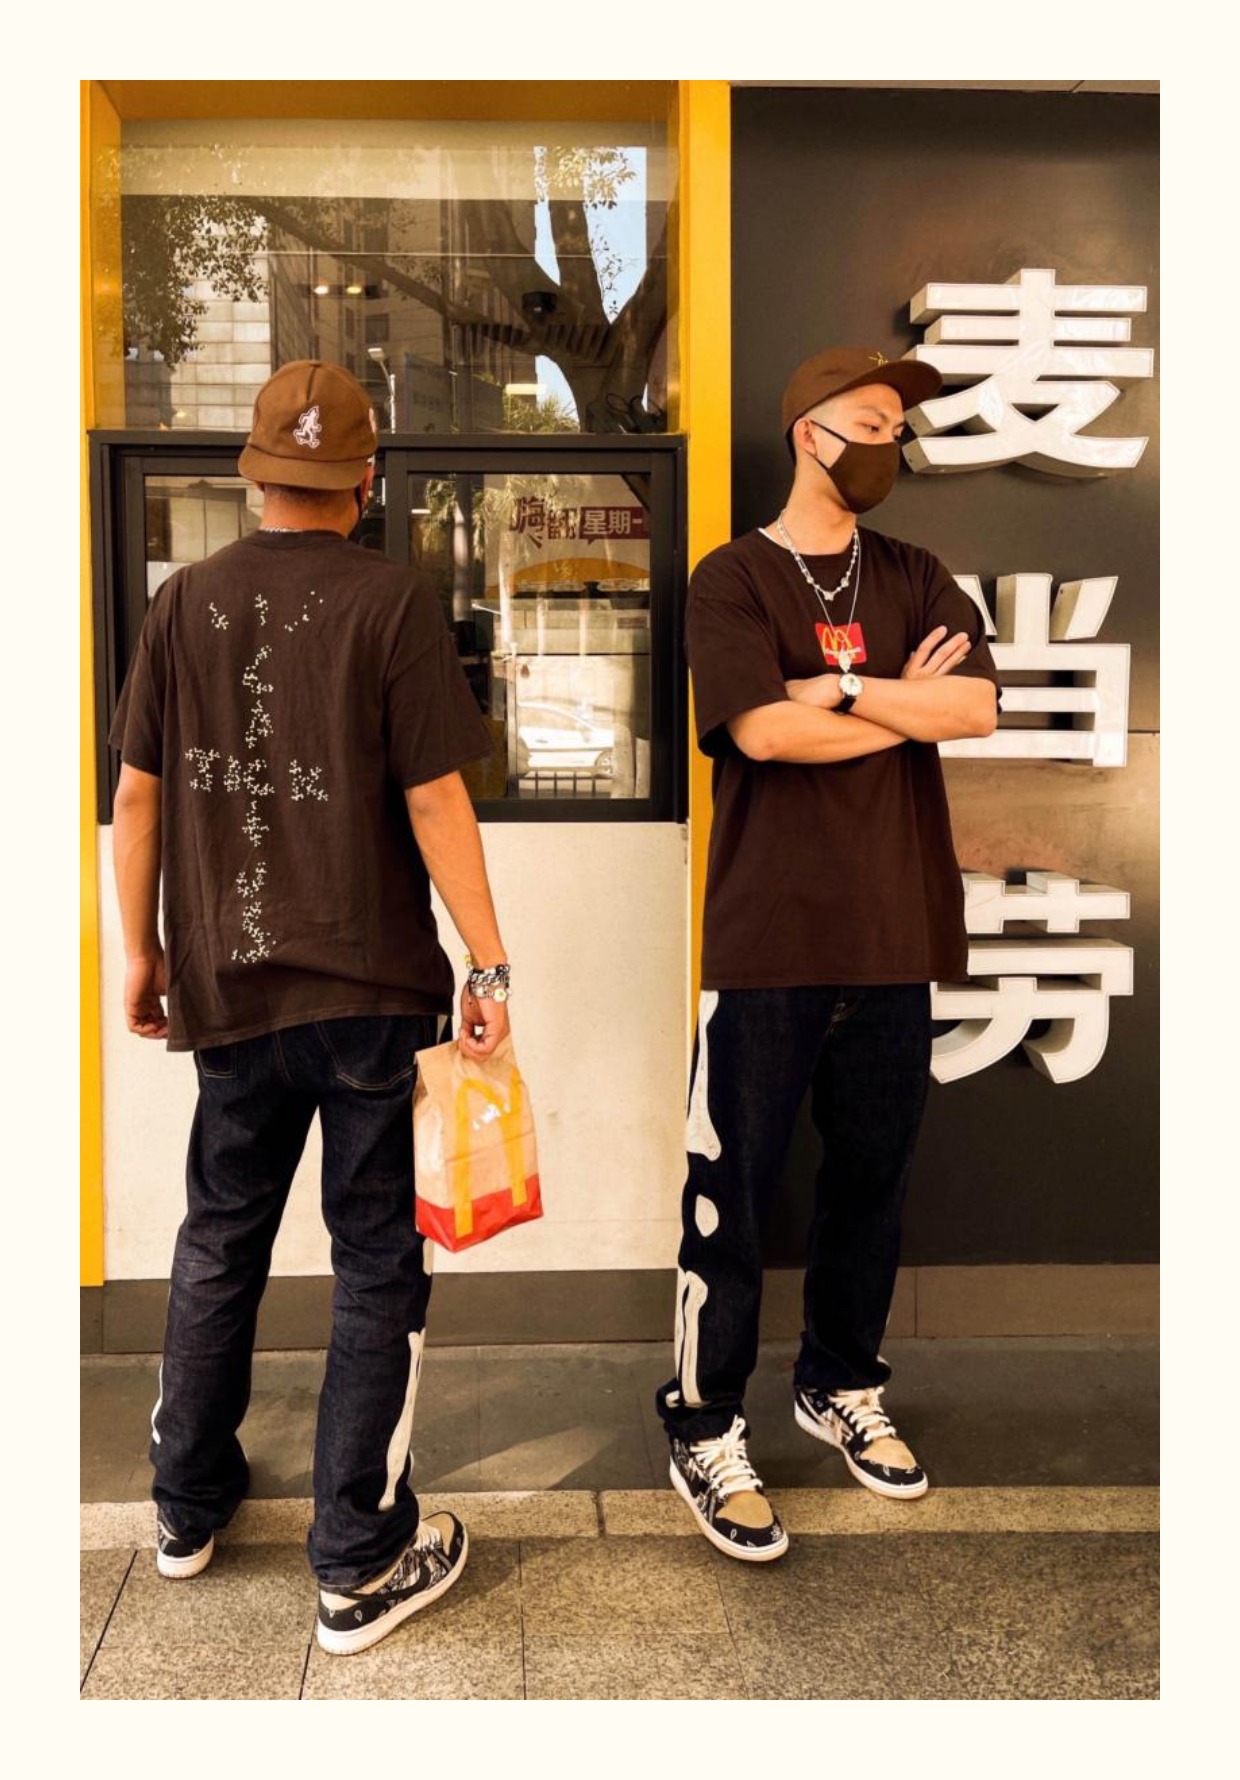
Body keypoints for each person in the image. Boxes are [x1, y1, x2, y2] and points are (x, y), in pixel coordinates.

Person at [109, 360, 512, 1655]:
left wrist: (141, 950)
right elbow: (435, 799)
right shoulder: (391, 601)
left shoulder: (183, 602)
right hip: (370, 990)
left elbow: (137, 796)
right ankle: (357, 1556)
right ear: (366, 478)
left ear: (252, 476)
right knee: (374, 1257)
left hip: (227, 981)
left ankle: (185, 1511)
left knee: (220, 1235)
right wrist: (489, 964)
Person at [657, 347, 1000, 1561]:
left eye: (898, 426)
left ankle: (840, 1381)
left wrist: (839, 692)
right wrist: (887, 696)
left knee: (871, 1183)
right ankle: (703, 1421)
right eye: (870, 421)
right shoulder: (733, 578)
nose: (890, 444)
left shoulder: (915, 573)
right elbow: (759, 732)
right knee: (731, 1195)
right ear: (809, 434)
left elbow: (973, 708)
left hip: (895, 931)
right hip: (768, 937)